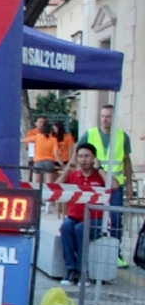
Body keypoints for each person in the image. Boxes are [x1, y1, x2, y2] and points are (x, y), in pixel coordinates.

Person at [78, 104, 133, 267]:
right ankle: (93, 253)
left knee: (116, 219)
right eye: (102, 116)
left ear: (114, 118)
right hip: (95, 183)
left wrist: (129, 184)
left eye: (108, 116)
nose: (104, 120)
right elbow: (78, 153)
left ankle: (116, 253)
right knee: (94, 218)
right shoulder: (90, 134)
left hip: (115, 185)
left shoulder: (122, 136)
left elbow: (126, 161)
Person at [57, 144, 106, 285]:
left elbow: (114, 185)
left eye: (87, 156)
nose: (83, 159)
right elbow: (56, 185)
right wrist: (68, 167)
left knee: (80, 229)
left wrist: (100, 168)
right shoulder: (73, 175)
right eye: (80, 156)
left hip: (96, 220)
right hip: (74, 218)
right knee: (66, 226)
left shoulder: (100, 177)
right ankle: (70, 269)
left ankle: (82, 271)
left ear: (93, 159)